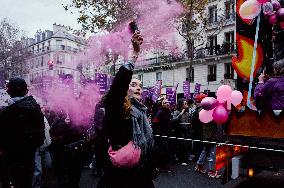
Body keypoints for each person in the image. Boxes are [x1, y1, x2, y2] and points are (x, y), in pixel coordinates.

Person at [102, 32, 155, 188]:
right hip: (120, 177)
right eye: (133, 85)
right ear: (125, 89)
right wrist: (133, 56)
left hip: (141, 175)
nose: (138, 87)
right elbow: (117, 89)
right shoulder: (117, 107)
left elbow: (147, 147)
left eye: (140, 85)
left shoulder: (142, 112)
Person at [0, 77, 45, 188]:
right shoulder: (35, 107)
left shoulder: (7, 112)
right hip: (29, 157)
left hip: (11, 159)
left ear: (9, 91)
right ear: (25, 91)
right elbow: (40, 136)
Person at [172, 99, 191, 165]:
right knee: (182, 145)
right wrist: (181, 113)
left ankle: (185, 158)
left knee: (187, 144)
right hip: (180, 131)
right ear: (181, 105)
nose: (187, 105)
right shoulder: (176, 112)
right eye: (185, 104)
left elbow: (189, 121)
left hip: (187, 131)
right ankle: (181, 159)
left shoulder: (187, 112)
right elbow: (174, 120)